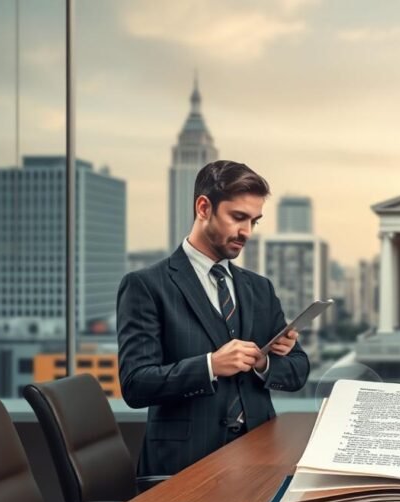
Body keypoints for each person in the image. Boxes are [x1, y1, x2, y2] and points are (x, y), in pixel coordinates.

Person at [117, 160, 310, 476]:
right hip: (183, 467)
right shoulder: (147, 286)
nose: (246, 232)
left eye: (254, 221)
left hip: (262, 461)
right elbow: (136, 384)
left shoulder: (259, 289)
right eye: (238, 218)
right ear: (204, 208)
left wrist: (263, 363)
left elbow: (298, 370)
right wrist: (210, 365)